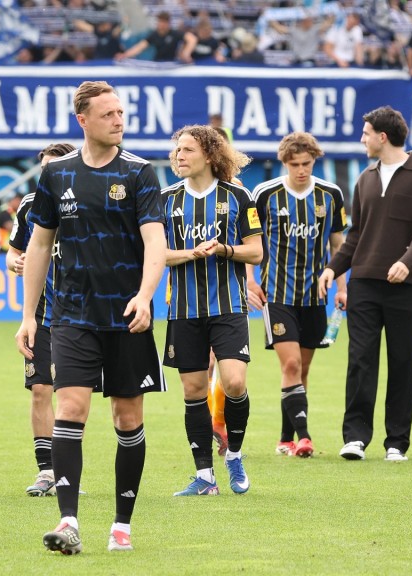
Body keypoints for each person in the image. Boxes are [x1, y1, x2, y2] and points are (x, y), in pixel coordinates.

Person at [15, 81, 166, 554]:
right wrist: (27, 316)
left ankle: (122, 525)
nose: (118, 121)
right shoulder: (57, 174)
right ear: (83, 120)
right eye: (108, 114)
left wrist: (145, 296)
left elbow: (155, 241)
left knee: (126, 417)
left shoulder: (140, 173)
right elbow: (39, 244)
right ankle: (68, 521)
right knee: (71, 409)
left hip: (126, 315)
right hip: (72, 315)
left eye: (121, 113)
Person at [318, 106, 412, 462]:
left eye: (366, 132)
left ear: (382, 137)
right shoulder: (365, 178)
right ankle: (355, 437)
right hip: (365, 285)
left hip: (409, 285)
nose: (363, 139)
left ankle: (396, 443)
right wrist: (332, 268)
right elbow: (356, 236)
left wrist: (407, 262)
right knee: (360, 360)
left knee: (403, 362)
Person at [162, 125, 262, 496]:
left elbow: (256, 251)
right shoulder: (166, 199)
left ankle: (233, 453)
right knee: (193, 390)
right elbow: (154, 254)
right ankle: (204, 476)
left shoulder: (239, 195)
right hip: (184, 310)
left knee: (234, 382)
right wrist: (191, 252)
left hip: (228, 306)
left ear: (209, 154)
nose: (179, 156)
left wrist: (223, 250)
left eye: (187, 150)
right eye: (178, 150)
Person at [249, 132, 346, 459]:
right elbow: (249, 240)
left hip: (314, 297)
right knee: (290, 363)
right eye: (295, 164)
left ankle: (284, 437)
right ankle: (305, 437)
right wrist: (250, 279)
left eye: (306, 163)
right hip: (276, 294)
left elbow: (338, 245)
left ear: (314, 160)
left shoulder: (331, 195)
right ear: (284, 163)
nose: (301, 170)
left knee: (299, 372)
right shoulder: (264, 194)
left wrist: (342, 287)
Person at [6, 142, 75, 497]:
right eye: (44, 168)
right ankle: (47, 471)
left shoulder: (87, 199)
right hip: (42, 317)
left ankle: (67, 465)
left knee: (72, 397)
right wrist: (13, 261)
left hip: (81, 317)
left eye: (55, 167)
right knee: (40, 391)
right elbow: (14, 252)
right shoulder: (32, 205)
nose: (49, 175)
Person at [115, 11, 187, 62]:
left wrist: (186, 53)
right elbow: (140, 47)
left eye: (163, 22)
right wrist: (124, 55)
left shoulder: (175, 34)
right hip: (158, 63)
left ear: (167, 23)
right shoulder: (154, 35)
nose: (160, 24)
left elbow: (191, 38)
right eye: (159, 21)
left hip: (172, 63)